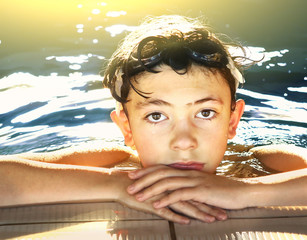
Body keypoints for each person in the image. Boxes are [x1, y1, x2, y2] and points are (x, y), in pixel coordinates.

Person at [0, 15, 306, 225]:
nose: (184, 141)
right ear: (126, 128)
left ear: (232, 121)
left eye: (205, 113)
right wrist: (116, 186)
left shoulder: (260, 164)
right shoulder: (116, 164)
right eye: (157, 115)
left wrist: (243, 191)